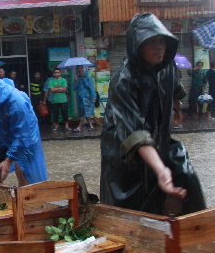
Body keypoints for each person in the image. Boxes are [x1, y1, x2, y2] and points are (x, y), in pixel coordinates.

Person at [100, 12, 206, 216]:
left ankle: (189, 231)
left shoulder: (168, 67)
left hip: (159, 141)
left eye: (162, 41)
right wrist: (161, 170)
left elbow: (176, 90)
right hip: (124, 153)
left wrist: (176, 108)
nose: (159, 47)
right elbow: (135, 134)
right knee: (132, 212)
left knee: (183, 170)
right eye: (151, 42)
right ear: (137, 46)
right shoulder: (124, 80)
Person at [0, 67, 48, 186]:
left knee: (23, 171)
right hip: (2, 130)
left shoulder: (16, 102)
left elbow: (22, 135)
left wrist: (8, 160)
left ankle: (27, 201)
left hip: (26, 132)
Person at [72, 64, 97, 132]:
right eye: (77, 68)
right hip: (80, 98)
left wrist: (93, 97)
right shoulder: (78, 78)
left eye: (80, 68)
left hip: (87, 97)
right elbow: (74, 87)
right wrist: (75, 81)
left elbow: (91, 87)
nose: (79, 70)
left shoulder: (87, 77)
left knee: (84, 112)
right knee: (85, 112)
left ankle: (79, 127)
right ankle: (91, 126)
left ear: (82, 68)